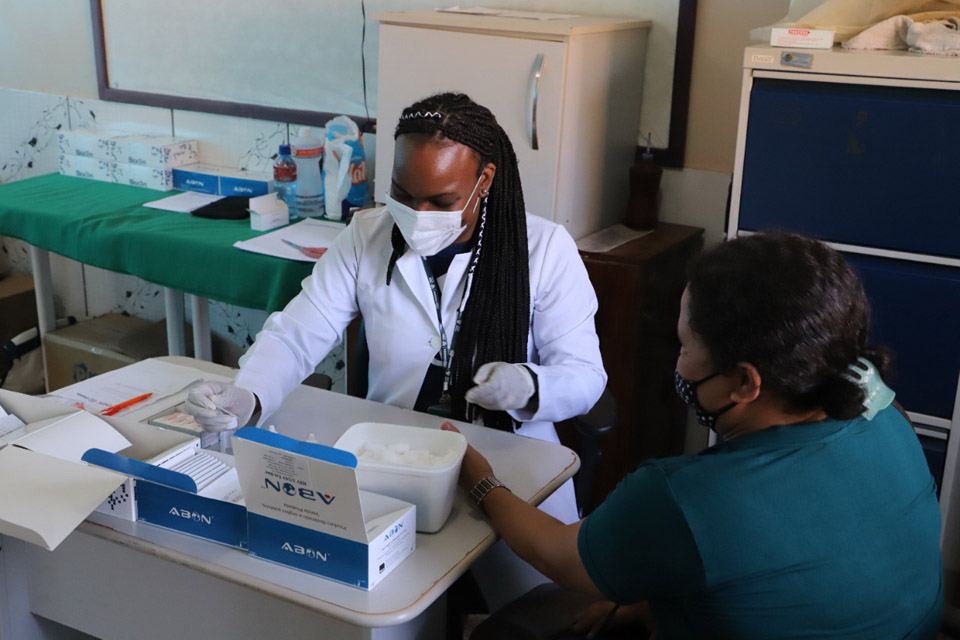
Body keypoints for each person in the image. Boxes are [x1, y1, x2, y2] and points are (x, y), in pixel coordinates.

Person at [184, 92, 607, 605]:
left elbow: (585, 377)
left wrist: (528, 386)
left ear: (485, 181)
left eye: (441, 201)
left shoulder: (544, 250)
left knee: (541, 611)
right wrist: (247, 395)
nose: (417, 214)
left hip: (510, 464)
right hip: (394, 457)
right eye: (403, 195)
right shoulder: (367, 236)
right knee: (375, 602)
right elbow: (299, 331)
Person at [452, 232, 943, 639]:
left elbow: (555, 554)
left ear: (746, 381)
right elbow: (811, 570)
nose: (678, 361)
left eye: (686, 345)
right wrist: (649, 605)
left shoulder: (684, 499)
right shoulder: (886, 416)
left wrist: (482, 481)